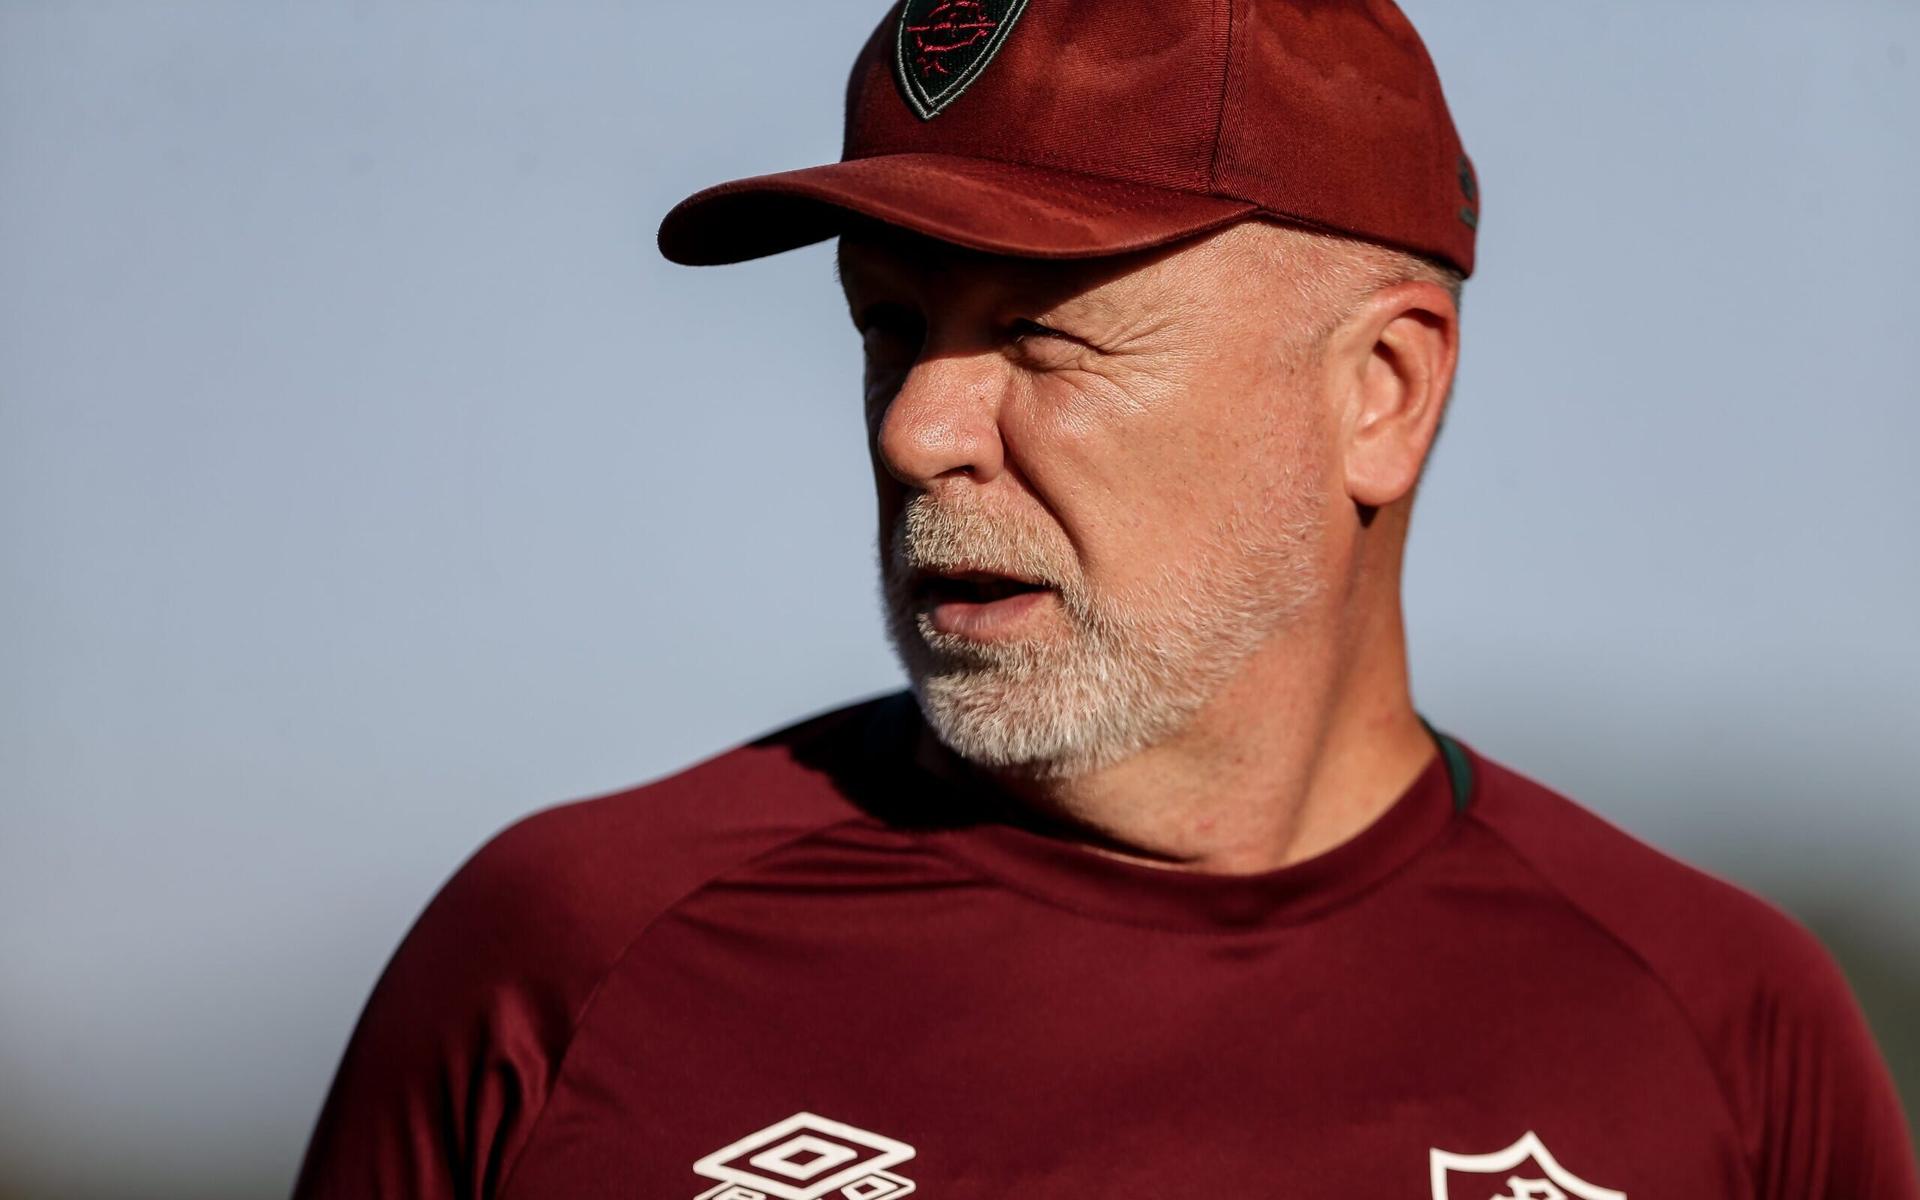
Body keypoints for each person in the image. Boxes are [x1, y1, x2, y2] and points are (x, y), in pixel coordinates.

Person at [293, 2, 1918, 1197]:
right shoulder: (559, 971)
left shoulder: (1722, 1033)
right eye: (889, 325)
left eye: (1046, 335)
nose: (918, 429)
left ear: (1383, 391)